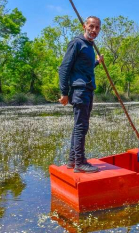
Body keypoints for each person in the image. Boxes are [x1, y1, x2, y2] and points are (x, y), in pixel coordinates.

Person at [58, 16, 103, 173]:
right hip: (79, 91)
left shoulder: (89, 46)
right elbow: (64, 68)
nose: (94, 30)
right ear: (84, 26)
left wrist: (97, 62)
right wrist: (64, 92)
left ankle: (72, 161)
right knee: (81, 126)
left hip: (87, 89)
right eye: (91, 26)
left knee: (81, 127)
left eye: (97, 28)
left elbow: (85, 68)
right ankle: (80, 163)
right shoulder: (77, 43)